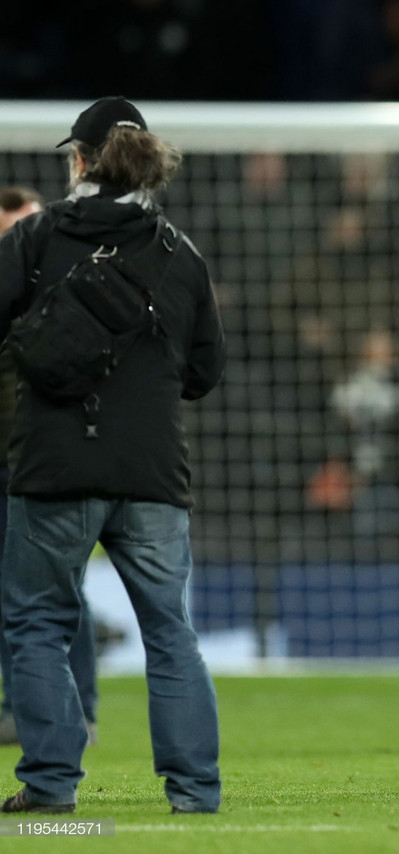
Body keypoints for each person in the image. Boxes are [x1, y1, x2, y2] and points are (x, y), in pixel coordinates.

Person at [0, 97, 225, 814]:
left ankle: (50, 787)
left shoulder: (35, 238)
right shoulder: (179, 254)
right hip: (153, 473)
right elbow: (204, 372)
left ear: (81, 161)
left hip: (53, 467)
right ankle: (194, 792)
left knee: (37, 622)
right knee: (170, 630)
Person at [0, 189, 99, 749]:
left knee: (60, 590)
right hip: (4, 464)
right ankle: (21, 705)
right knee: (10, 595)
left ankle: (79, 708)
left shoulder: (73, 288)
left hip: (50, 462)